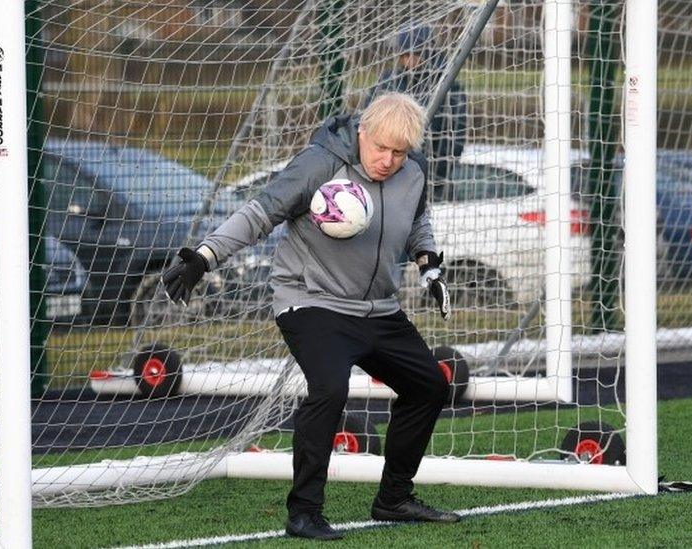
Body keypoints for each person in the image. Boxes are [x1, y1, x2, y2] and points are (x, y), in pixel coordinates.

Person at [162, 92, 457, 541]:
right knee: (330, 389)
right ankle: (304, 512)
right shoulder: (319, 164)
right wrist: (204, 256)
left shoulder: (412, 174)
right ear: (363, 132)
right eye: (381, 148)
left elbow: (418, 223)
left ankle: (394, 498)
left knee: (429, 386)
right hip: (310, 301)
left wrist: (429, 267)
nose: (388, 160)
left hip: (378, 309)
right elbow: (260, 212)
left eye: (399, 153)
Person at [363, 24, 468, 184]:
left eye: (416, 53)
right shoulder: (389, 82)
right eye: (405, 54)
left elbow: (456, 136)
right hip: (385, 172)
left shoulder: (447, 86)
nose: (409, 60)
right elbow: (366, 122)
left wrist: (434, 177)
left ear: (428, 52)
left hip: (428, 177)